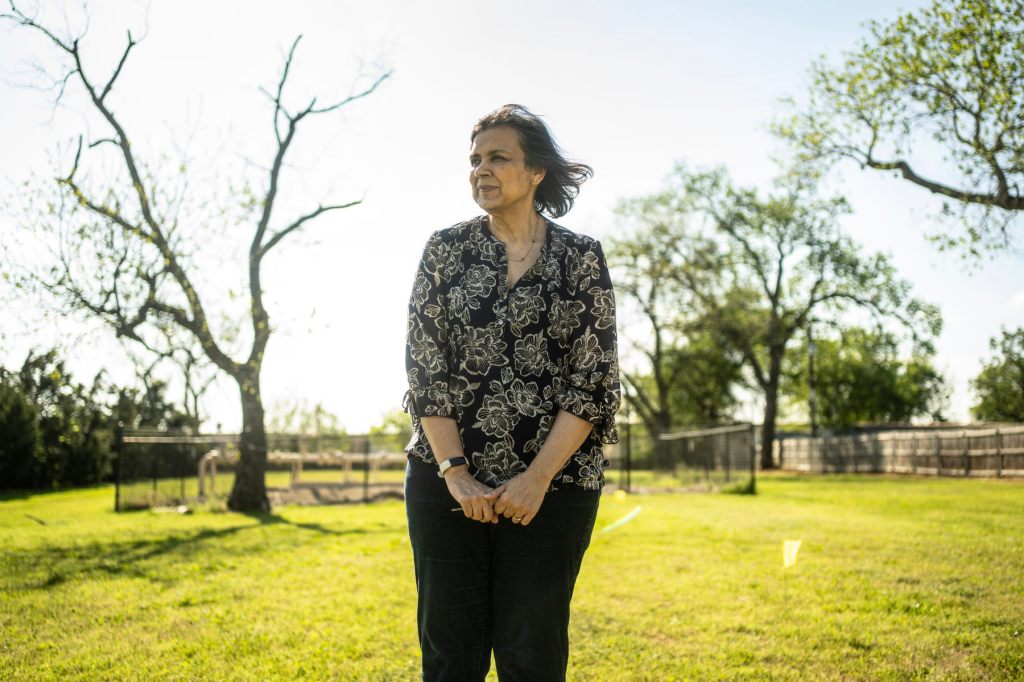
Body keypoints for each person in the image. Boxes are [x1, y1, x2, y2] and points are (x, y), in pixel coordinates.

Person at [403, 103, 620, 682]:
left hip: (555, 488)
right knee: (451, 654)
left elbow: (592, 378)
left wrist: (536, 478)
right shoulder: (444, 251)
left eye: (498, 157)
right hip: (447, 482)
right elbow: (426, 370)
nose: (481, 170)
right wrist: (454, 471)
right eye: (474, 160)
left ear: (536, 172)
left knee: (532, 655)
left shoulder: (581, 258)